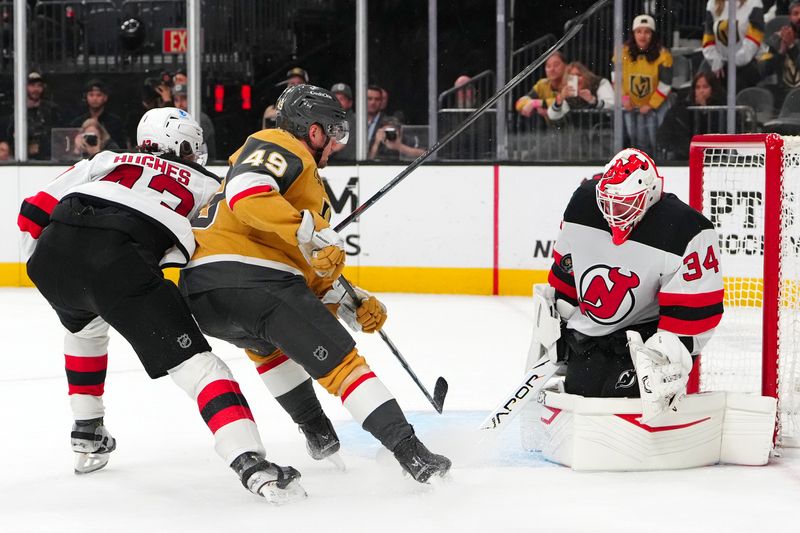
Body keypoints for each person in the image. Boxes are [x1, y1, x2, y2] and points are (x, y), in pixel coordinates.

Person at [17, 108, 306, 503]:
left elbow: (32, 209)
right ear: (182, 145)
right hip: (120, 261)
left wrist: (44, 263)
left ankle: (87, 431)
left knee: (83, 329)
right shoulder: (210, 184)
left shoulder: (106, 159)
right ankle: (251, 463)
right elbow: (219, 246)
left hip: (54, 255)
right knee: (201, 367)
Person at [179, 84, 452, 483]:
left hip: (205, 294)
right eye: (334, 132)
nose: (336, 144)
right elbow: (246, 193)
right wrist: (307, 231)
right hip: (255, 279)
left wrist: (351, 302)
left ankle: (318, 433)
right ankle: (416, 457)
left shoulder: (300, 191)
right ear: (313, 131)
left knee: (268, 345)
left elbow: (304, 268)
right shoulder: (277, 143)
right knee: (344, 366)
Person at [546, 148, 723, 407]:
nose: (614, 211)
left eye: (624, 203)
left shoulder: (686, 229)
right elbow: (567, 271)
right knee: (583, 394)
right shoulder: (583, 206)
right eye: (608, 202)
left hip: (645, 338)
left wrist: (667, 353)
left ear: (651, 194)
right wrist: (560, 322)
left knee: (621, 400)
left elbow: (694, 313)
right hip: (593, 335)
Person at [621, 14, 674, 154]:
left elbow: (666, 83)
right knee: (636, 141)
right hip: (631, 105)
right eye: (639, 31)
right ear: (633, 34)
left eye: (647, 32)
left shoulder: (663, 55)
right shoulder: (622, 53)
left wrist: (651, 104)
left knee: (656, 139)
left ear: (653, 34)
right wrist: (624, 98)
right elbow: (616, 77)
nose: (642, 36)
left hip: (656, 107)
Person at [656, 71, 727, 159]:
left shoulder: (722, 108)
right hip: (683, 155)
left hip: (713, 156)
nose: (701, 91)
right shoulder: (680, 108)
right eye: (698, 87)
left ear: (713, 88)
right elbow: (664, 133)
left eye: (705, 87)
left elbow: (715, 131)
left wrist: (704, 110)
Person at [701, 0, 765, 91]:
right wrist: (715, 59)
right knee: (703, 84)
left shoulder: (754, 3)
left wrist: (733, 61)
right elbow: (708, 38)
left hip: (748, 63)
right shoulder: (712, 3)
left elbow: (754, 41)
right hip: (721, 63)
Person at [7, 71, 63, 160]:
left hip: (50, 160)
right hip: (25, 161)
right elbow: (9, 140)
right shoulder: (16, 112)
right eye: (32, 85)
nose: (36, 89)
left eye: (39, 85)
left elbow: (60, 135)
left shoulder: (52, 109)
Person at [547, 61, 614, 122]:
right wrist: (559, 101)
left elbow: (613, 106)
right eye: (572, 77)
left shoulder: (599, 83)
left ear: (586, 76)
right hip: (579, 133)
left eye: (578, 75)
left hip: (605, 130)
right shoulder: (568, 93)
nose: (576, 79)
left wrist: (593, 100)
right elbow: (552, 116)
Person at [70, 79, 126, 148]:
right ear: (86, 97)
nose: (95, 98)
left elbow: (121, 148)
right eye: (91, 95)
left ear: (105, 97)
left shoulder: (115, 122)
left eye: (98, 95)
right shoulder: (77, 123)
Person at [766, 0, 800, 106]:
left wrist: (791, 47)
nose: (799, 17)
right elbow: (765, 70)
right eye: (796, 13)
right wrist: (782, 50)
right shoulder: (777, 38)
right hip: (783, 93)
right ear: (789, 17)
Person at [515, 52, 568, 119]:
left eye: (556, 65)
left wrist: (535, 103)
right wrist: (534, 106)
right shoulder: (542, 84)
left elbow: (565, 103)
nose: (552, 69)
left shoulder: (572, 83)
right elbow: (519, 103)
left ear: (566, 66)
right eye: (548, 66)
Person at [172, 82, 216, 160]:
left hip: (207, 164)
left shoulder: (201, 119)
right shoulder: (176, 118)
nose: (179, 103)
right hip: (187, 163)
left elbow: (190, 145)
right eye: (176, 99)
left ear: (191, 99)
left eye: (184, 98)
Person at [330, 82, 356, 160]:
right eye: (335, 99)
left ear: (350, 103)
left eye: (341, 99)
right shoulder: (324, 119)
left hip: (348, 165)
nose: (338, 102)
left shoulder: (357, 122)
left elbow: (349, 153)